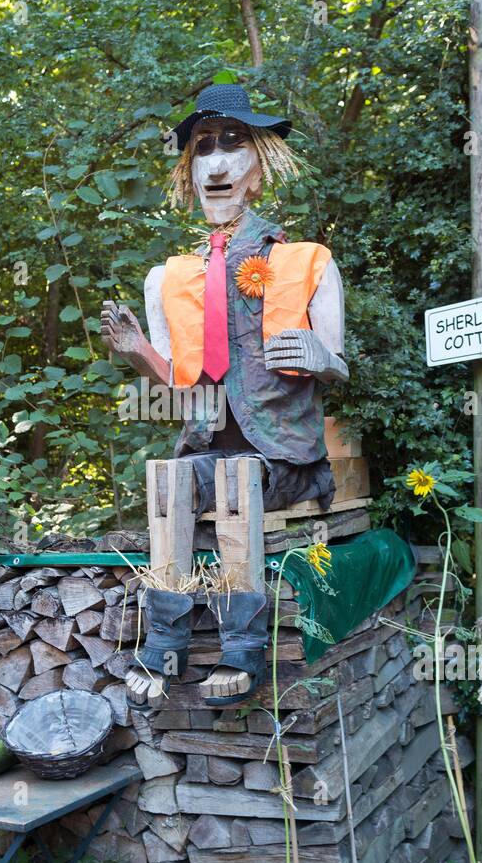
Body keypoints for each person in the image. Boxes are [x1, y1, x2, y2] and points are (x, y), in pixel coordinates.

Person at [101, 82, 348, 710]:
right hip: (212, 454)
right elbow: (181, 389)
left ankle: (242, 644)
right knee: (169, 479)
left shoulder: (307, 261)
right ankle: (165, 640)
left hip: (285, 462)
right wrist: (139, 354)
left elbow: (339, 364)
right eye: (203, 148)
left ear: (258, 168)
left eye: (232, 145)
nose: (215, 163)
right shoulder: (169, 279)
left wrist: (322, 357)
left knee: (238, 479)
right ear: (190, 171)